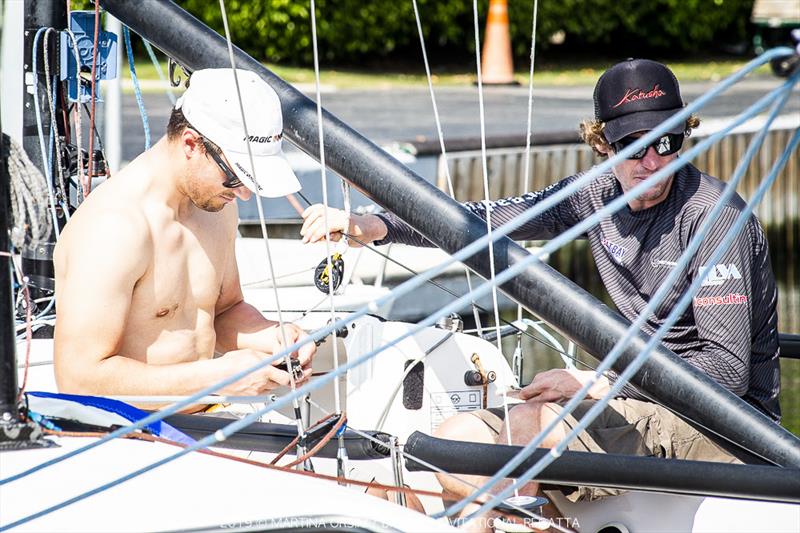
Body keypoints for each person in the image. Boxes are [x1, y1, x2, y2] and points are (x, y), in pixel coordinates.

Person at [300, 59, 780, 521]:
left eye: (667, 142)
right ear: (603, 145)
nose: (652, 161)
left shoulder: (716, 219)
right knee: (455, 437)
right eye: (635, 145)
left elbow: (725, 375)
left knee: (530, 425)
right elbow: (485, 222)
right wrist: (373, 225)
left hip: (726, 430)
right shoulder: (595, 194)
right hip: (637, 401)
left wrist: (596, 382)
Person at [54, 68, 316, 410]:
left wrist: (274, 336)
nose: (245, 194)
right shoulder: (115, 227)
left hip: (205, 416)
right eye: (236, 176)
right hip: (130, 438)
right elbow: (77, 379)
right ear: (192, 144)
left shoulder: (216, 206)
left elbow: (223, 310)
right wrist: (218, 377)